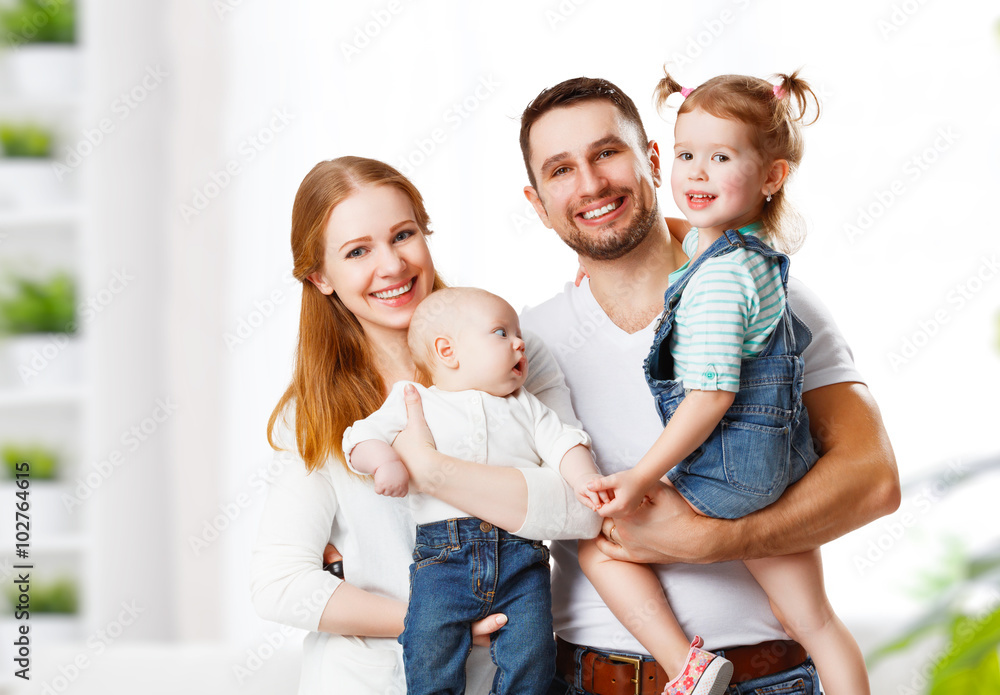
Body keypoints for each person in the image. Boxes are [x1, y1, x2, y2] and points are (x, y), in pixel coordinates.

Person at [499, 76, 898, 694]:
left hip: (766, 679)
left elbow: (874, 480)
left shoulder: (769, 297)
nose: (591, 184)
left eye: (607, 153)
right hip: (583, 679)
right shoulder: (524, 342)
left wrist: (715, 539)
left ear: (653, 161)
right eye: (560, 170)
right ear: (537, 201)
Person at [249, 156, 601, 694]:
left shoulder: (515, 357)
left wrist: (434, 472)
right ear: (320, 276)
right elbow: (279, 584)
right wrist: (437, 619)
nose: (391, 265)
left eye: (403, 234)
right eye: (358, 251)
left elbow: (582, 508)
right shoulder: (317, 411)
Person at [343, 286, 605, 695]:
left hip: (523, 560)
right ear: (448, 352)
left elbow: (565, 442)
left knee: (533, 655)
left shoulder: (527, 405)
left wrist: (586, 479)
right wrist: (385, 462)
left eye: (516, 332)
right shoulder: (416, 400)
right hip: (443, 560)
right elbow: (360, 437)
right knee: (428, 644)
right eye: (501, 333)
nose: (520, 342)